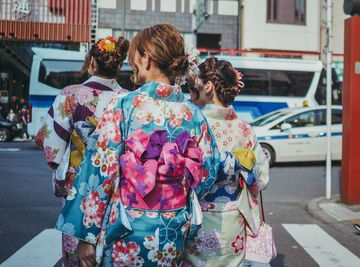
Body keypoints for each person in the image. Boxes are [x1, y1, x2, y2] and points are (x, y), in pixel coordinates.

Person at [55, 24, 231, 267]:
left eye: (133, 58)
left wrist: (87, 234)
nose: (131, 65)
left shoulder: (125, 105)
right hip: (174, 229)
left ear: (146, 58)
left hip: (127, 228)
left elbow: (99, 170)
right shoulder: (194, 114)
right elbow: (207, 172)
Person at [36, 36, 130, 266]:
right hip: (119, 190)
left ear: (92, 63)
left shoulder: (70, 95)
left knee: (78, 257)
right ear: (118, 66)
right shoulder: (129, 100)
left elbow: (50, 145)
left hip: (78, 189)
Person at [185, 58, 270, 266]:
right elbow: (262, 180)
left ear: (208, 86)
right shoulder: (245, 128)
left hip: (198, 216)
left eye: (196, 84)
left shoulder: (193, 122)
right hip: (234, 218)